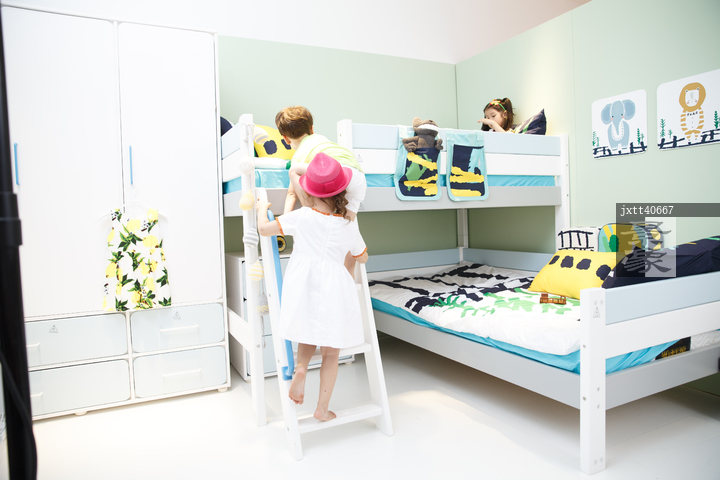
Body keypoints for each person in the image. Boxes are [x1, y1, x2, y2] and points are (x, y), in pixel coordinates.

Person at [256, 153, 369, 422]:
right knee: (331, 352)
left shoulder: (302, 216)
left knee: (308, 328)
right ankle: (322, 408)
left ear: (308, 191)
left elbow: (264, 230)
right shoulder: (348, 223)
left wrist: (261, 208)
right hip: (336, 285)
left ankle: (301, 368)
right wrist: (351, 254)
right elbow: (362, 256)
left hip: (303, 280)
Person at [276, 105, 366, 274]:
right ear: (311, 129)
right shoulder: (321, 139)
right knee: (347, 229)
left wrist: (285, 221)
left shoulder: (299, 154)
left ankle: (313, 210)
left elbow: (291, 193)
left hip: (337, 173)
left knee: (294, 171)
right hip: (357, 176)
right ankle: (349, 280)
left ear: (285, 139)